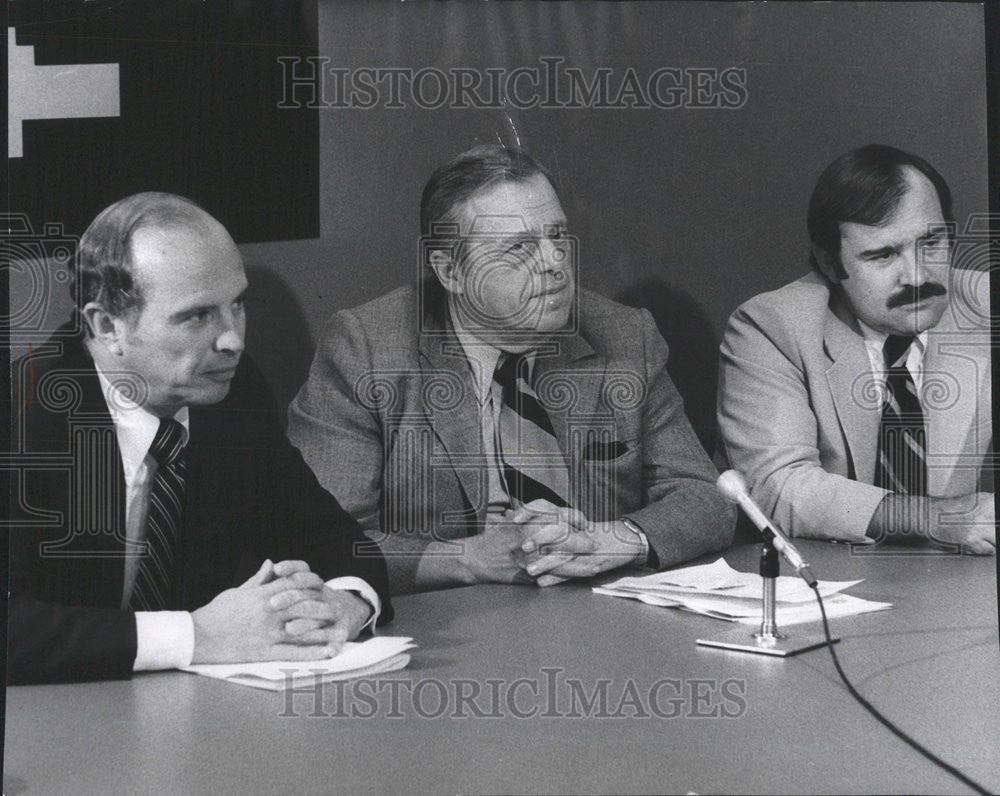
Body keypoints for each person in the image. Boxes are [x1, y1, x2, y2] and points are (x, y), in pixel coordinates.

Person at [288, 144, 734, 593]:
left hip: (599, 618)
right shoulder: (368, 349)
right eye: (519, 247)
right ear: (451, 273)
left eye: (557, 235)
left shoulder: (622, 336)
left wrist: (612, 541)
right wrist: (469, 559)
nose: (554, 263)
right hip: (445, 628)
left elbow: (708, 498)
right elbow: (323, 541)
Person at [8, 192, 392, 684]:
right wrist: (196, 635)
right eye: (197, 316)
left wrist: (345, 603)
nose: (233, 339)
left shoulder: (232, 393)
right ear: (107, 327)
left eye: (237, 305)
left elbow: (332, 537)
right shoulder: (21, 415)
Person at [717, 145, 994, 553]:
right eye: (883, 255)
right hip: (833, 583)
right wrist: (934, 518)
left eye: (932, 243)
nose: (917, 275)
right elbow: (779, 486)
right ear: (829, 265)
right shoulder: (771, 327)